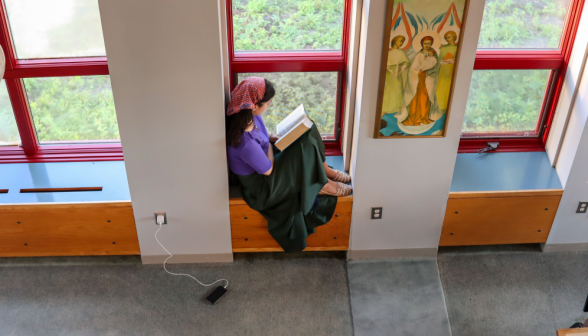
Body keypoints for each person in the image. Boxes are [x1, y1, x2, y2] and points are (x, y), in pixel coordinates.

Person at [226, 77, 352, 252]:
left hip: (266, 162)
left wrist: (272, 138)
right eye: (268, 103)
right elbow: (268, 170)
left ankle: (325, 171)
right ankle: (323, 184)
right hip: (264, 186)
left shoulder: (249, 117)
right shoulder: (245, 144)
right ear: (254, 105)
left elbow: (263, 135)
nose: (269, 106)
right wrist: (271, 145)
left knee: (308, 126)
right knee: (303, 145)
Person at [400, 36, 439, 126]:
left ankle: (424, 117)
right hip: (417, 79)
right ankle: (414, 118)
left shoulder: (434, 54)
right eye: (425, 43)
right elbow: (413, 68)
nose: (427, 45)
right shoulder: (419, 54)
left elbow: (436, 67)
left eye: (429, 43)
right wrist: (417, 72)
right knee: (415, 98)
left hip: (428, 80)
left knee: (425, 98)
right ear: (421, 44)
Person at [382, 35, 410, 116]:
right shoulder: (389, 53)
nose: (401, 43)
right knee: (388, 91)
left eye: (402, 41)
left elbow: (406, 62)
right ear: (395, 41)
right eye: (400, 41)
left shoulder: (401, 52)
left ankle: (399, 109)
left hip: (398, 75)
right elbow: (386, 64)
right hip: (389, 75)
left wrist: (401, 70)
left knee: (398, 91)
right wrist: (391, 70)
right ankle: (385, 110)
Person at [436, 31, 458, 114]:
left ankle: (449, 108)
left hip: (452, 69)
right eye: (446, 38)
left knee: (450, 86)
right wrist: (444, 61)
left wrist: (452, 61)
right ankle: (440, 107)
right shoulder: (443, 48)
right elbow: (440, 59)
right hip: (444, 70)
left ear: (454, 37)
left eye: (449, 37)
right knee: (441, 86)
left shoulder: (457, 47)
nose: (447, 39)